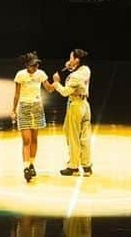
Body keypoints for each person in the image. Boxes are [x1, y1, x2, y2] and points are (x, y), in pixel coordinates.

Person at [12, 51, 54, 181]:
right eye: (33, 65)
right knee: (27, 140)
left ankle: (31, 164)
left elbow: (49, 88)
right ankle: (25, 168)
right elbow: (17, 94)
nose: (35, 67)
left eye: (36, 65)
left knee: (34, 139)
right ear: (27, 65)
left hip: (37, 107)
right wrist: (13, 110)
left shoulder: (41, 74)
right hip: (24, 107)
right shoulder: (20, 75)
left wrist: (56, 82)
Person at [53, 48, 92, 176]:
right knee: (85, 136)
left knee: (73, 136)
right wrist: (70, 66)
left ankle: (73, 166)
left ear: (77, 59)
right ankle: (87, 166)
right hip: (85, 105)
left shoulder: (75, 76)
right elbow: (73, 71)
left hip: (75, 105)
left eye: (71, 58)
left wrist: (57, 83)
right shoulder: (86, 69)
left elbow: (65, 92)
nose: (69, 60)